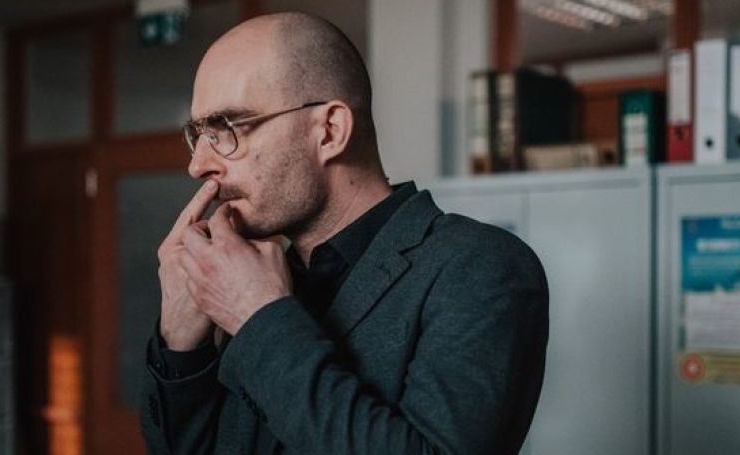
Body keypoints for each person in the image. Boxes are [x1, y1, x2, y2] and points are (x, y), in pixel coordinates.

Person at [140, 11, 548, 455]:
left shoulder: (480, 267)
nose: (198, 165)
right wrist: (181, 344)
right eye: (198, 134)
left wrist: (258, 317)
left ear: (330, 131)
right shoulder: (255, 275)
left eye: (227, 128)